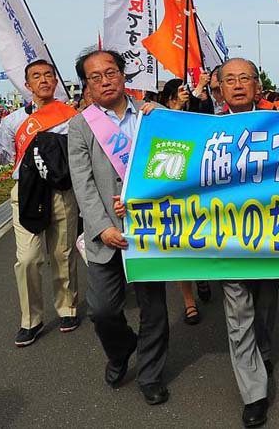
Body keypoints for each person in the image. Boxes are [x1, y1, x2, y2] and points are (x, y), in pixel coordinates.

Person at [68, 49, 169, 406]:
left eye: (110, 72)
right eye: (94, 77)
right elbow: (83, 183)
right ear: (87, 85)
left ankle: (151, 375)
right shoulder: (81, 125)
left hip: (149, 229)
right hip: (106, 234)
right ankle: (122, 348)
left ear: (123, 75)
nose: (104, 80)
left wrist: (167, 118)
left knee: (153, 308)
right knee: (103, 310)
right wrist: (100, 227)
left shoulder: (151, 115)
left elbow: (174, 164)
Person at [215, 57, 279, 427]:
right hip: (226, 239)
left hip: (271, 237)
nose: (238, 85)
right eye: (230, 80)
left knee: (266, 300)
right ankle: (254, 393)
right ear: (219, 88)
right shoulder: (202, 128)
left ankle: (263, 351)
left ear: (257, 85)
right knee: (238, 313)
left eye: (245, 79)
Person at [0, 60, 80, 347]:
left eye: (48, 75)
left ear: (56, 81)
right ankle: (30, 319)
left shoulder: (71, 116)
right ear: (28, 84)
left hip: (61, 190)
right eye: (36, 76)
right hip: (27, 191)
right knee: (28, 258)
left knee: (63, 252)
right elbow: (3, 157)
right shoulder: (13, 121)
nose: (44, 80)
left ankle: (67, 308)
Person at [157, 79, 212, 324]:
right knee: (179, 246)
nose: (186, 93)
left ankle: (201, 275)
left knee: (199, 238)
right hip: (171, 191)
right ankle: (189, 301)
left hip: (199, 190)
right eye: (181, 90)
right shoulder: (156, 118)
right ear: (170, 96)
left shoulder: (197, 111)